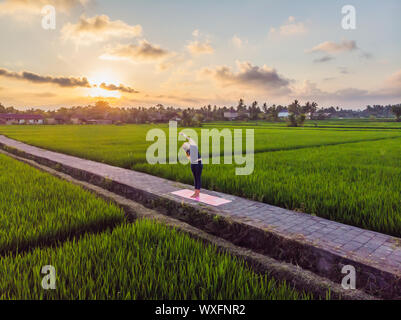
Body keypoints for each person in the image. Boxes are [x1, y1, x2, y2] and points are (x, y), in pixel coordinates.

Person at [180, 132, 203, 198]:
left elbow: (189, 139)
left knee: (197, 178)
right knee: (195, 178)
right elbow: (190, 159)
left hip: (198, 164)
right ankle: (195, 193)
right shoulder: (188, 152)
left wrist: (184, 134)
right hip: (193, 165)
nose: (186, 144)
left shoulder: (193, 146)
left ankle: (197, 194)